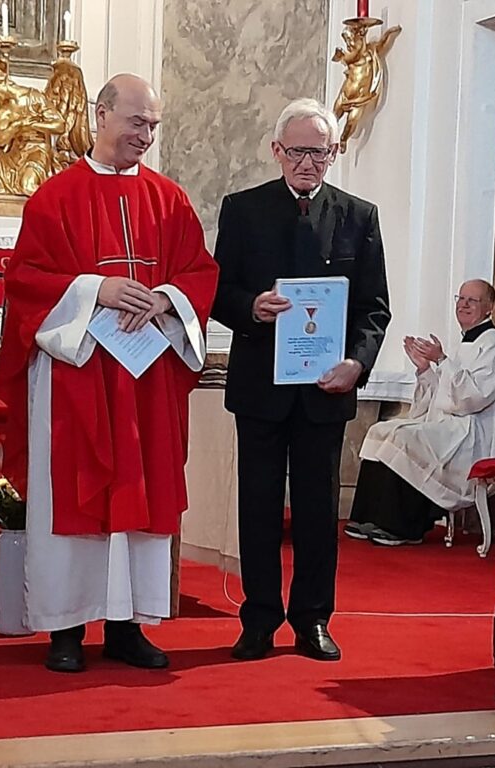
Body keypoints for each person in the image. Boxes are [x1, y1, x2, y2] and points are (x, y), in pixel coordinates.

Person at [0, 73, 219, 673]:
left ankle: (128, 625)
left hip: (145, 382)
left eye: (152, 125)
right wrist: (97, 289)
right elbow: (26, 282)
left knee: (140, 496)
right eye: (135, 121)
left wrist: (166, 298)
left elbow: (200, 270)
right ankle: (64, 629)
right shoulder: (53, 197)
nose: (145, 135)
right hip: (79, 378)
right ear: (101, 115)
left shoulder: (169, 199)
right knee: (74, 494)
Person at [212, 97, 390, 663]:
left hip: (326, 390)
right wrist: (251, 307)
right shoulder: (242, 209)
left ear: (333, 153)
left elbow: (374, 308)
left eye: (318, 152)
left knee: (316, 511)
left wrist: (357, 363)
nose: (306, 162)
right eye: (296, 151)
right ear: (276, 151)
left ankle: (313, 619)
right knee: (259, 507)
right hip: (261, 386)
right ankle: (259, 618)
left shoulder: (359, 216)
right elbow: (217, 293)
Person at [346, 279, 495, 546]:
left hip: (473, 434)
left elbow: (473, 398)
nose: (464, 305)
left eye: (473, 300)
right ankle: (370, 517)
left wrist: (441, 361)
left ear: (490, 307)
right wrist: (424, 368)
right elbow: (441, 396)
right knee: (381, 429)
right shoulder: (463, 344)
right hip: (450, 424)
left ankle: (402, 527)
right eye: (461, 298)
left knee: (405, 438)